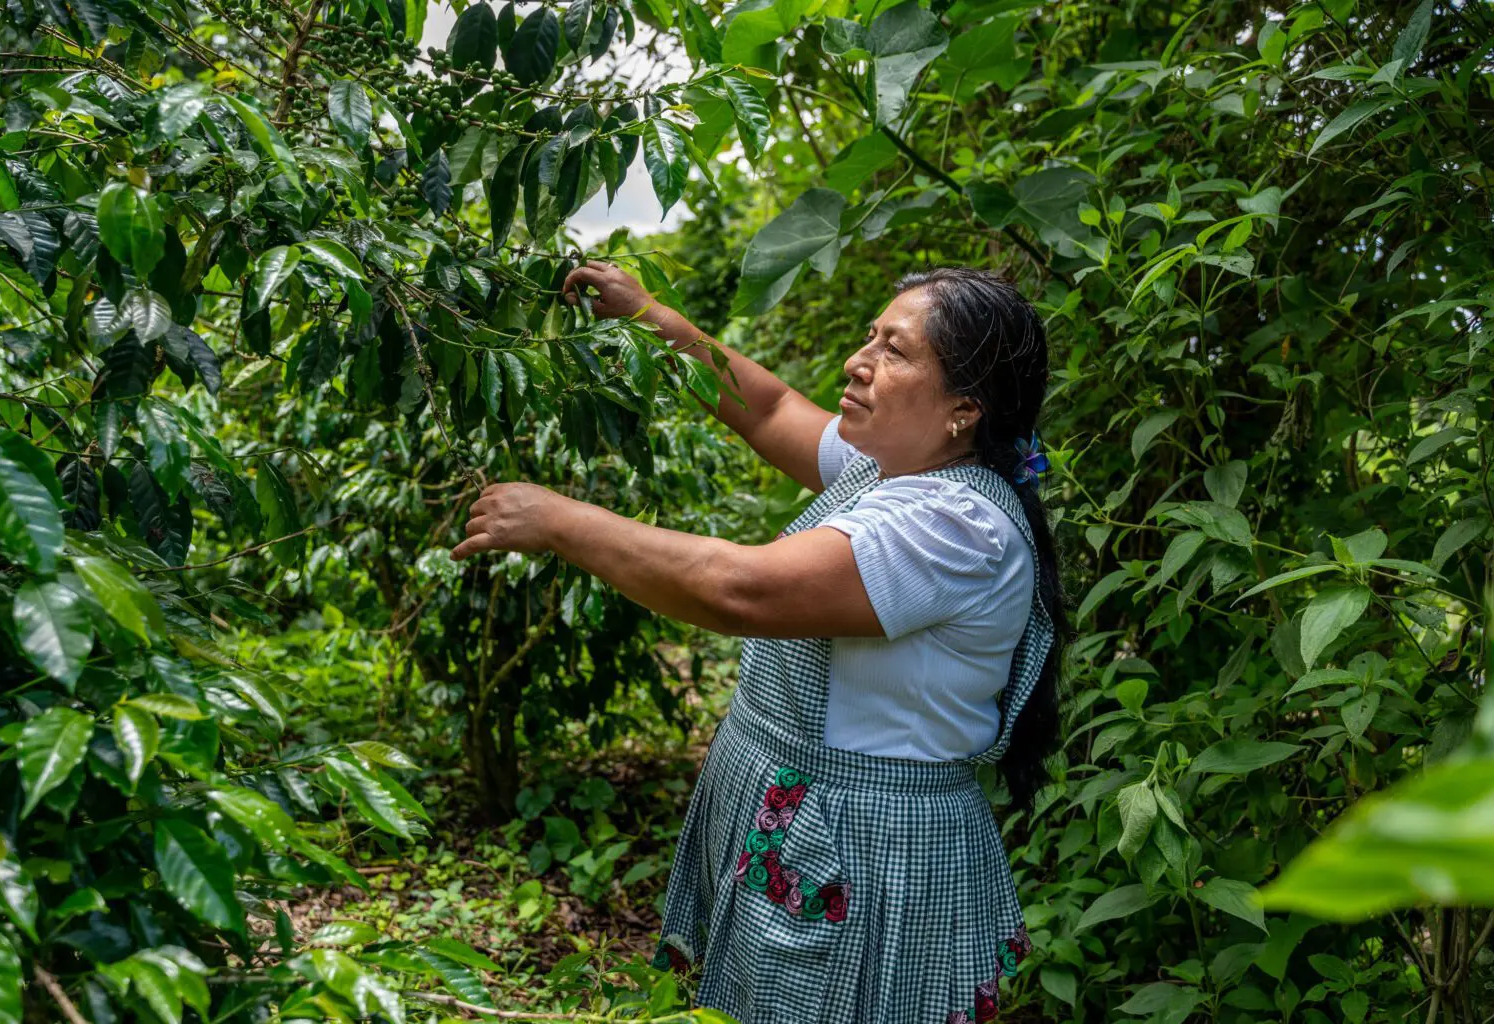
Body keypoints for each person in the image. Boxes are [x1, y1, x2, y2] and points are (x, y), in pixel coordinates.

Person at [449, 262, 1068, 1024]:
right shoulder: (895, 465)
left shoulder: (952, 528)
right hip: (814, 825)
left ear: (963, 411)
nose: (858, 358)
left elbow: (740, 590)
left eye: (895, 350)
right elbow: (771, 409)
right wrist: (652, 318)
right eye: (870, 335)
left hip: (867, 850)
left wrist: (560, 521)